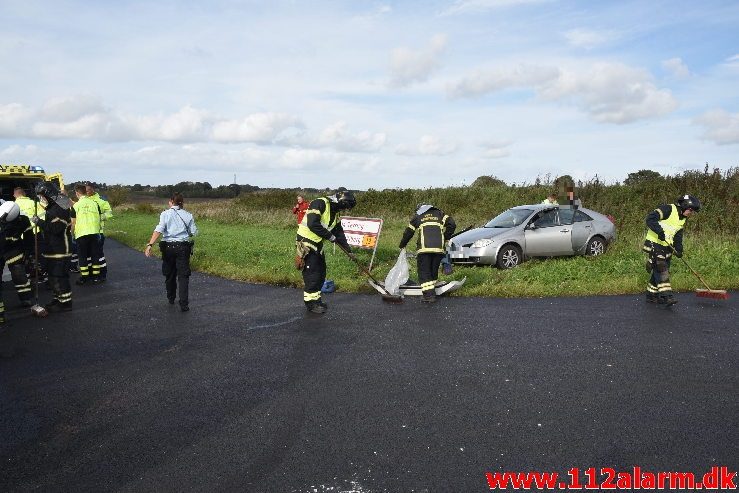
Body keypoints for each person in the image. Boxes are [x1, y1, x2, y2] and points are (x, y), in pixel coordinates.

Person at [295, 188, 356, 314]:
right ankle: (310, 303)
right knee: (313, 273)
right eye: (344, 207)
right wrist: (329, 236)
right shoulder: (320, 203)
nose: (344, 210)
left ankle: (316, 299)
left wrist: (348, 250)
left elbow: (338, 232)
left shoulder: (334, 212)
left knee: (321, 271)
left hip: (317, 243)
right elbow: (312, 223)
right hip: (306, 241)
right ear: (341, 202)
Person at [643, 194, 701, 306]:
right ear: (684, 205)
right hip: (654, 243)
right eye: (690, 210)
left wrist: (679, 249)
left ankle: (651, 295)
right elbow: (650, 218)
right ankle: (667, 296)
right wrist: (659, 231)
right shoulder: (668, 209)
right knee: (661, 268)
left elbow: (678, 235)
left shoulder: (682, 218)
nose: (691, 213)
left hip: (667, 246)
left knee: (661, 269)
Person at [144, 192, 198, 312]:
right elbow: (194, 232)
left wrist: (150, 244)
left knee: (169, 273)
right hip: (183, 247)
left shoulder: (165, 214)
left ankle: (171, 297)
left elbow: (159, 229)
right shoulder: (188, 215)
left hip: (168, 247)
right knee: (183, 276)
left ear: (170, 202)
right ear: (182, 202)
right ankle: (184, 304)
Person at [398, 204, 456, 303]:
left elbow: (409, 232)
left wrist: (402, 244)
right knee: (433, 270)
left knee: (424, 272)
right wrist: (445, 237)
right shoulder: (441, 214)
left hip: (424, 250)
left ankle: (429, 296)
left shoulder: (418, 216)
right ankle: (432, 289)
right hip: (439, 249)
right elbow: (452, 224)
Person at [31, 182, 73, 312]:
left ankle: (65, 303)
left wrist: (40, 222)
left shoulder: (59, 209)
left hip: (60, 250)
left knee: (59, 278)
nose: (41, 199)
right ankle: (58, 299)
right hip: (53, 250)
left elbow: (56, 229)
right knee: (53, 278)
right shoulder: (52, 207)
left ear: (48, 194)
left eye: (42, 196)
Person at [0, 201, 34, 320]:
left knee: (19, 276)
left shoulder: (23, 220)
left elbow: (29, 236)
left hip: (14, 250)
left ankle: (26, 298)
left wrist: (28, 252)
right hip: (4, 250)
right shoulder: (4, 214)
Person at [71, 184, 103, 285]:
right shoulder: (95, 203)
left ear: (77, 193)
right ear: (85, 191)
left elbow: (73, 223)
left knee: (82, 256)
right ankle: (96, 277)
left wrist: (72, 234)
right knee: (95, 255)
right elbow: (99, 217)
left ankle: (85, 277)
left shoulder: (75, 206)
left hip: (82, 234)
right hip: (94, 232)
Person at [86, 183, 113, 281]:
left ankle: (102, 274)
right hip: (86, 232)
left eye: (88, 190)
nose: (87, 192)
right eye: (85, 190)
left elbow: (109, 213)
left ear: (93, 189)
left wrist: (98, 217)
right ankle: (91, 274)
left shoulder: (101, 200)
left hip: (98, 231)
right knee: (88, 255)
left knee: (98, 254)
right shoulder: (84, 200)